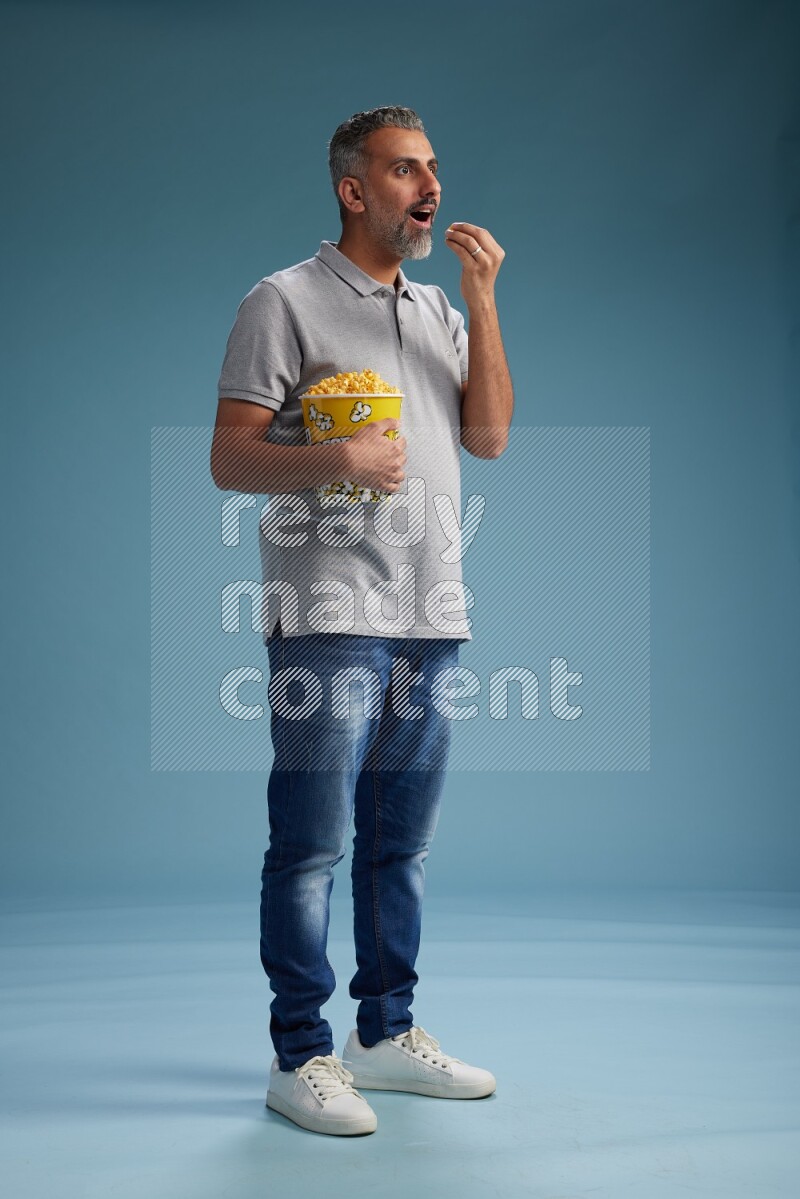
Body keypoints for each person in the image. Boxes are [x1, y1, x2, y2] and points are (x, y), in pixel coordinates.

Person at [211, 106, 514, 1137]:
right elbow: (229, 457)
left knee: (400, 846)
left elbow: (489, 438)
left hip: (432, 607)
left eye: (431, 166)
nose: (427, 184)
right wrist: (332, 459)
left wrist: (479, 299)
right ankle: (300, 1052)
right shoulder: (281, 301)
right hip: (329, 611)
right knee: (310, 847)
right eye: (402, 169)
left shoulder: (436, 309)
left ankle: (382, 1035)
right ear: (352, 189)